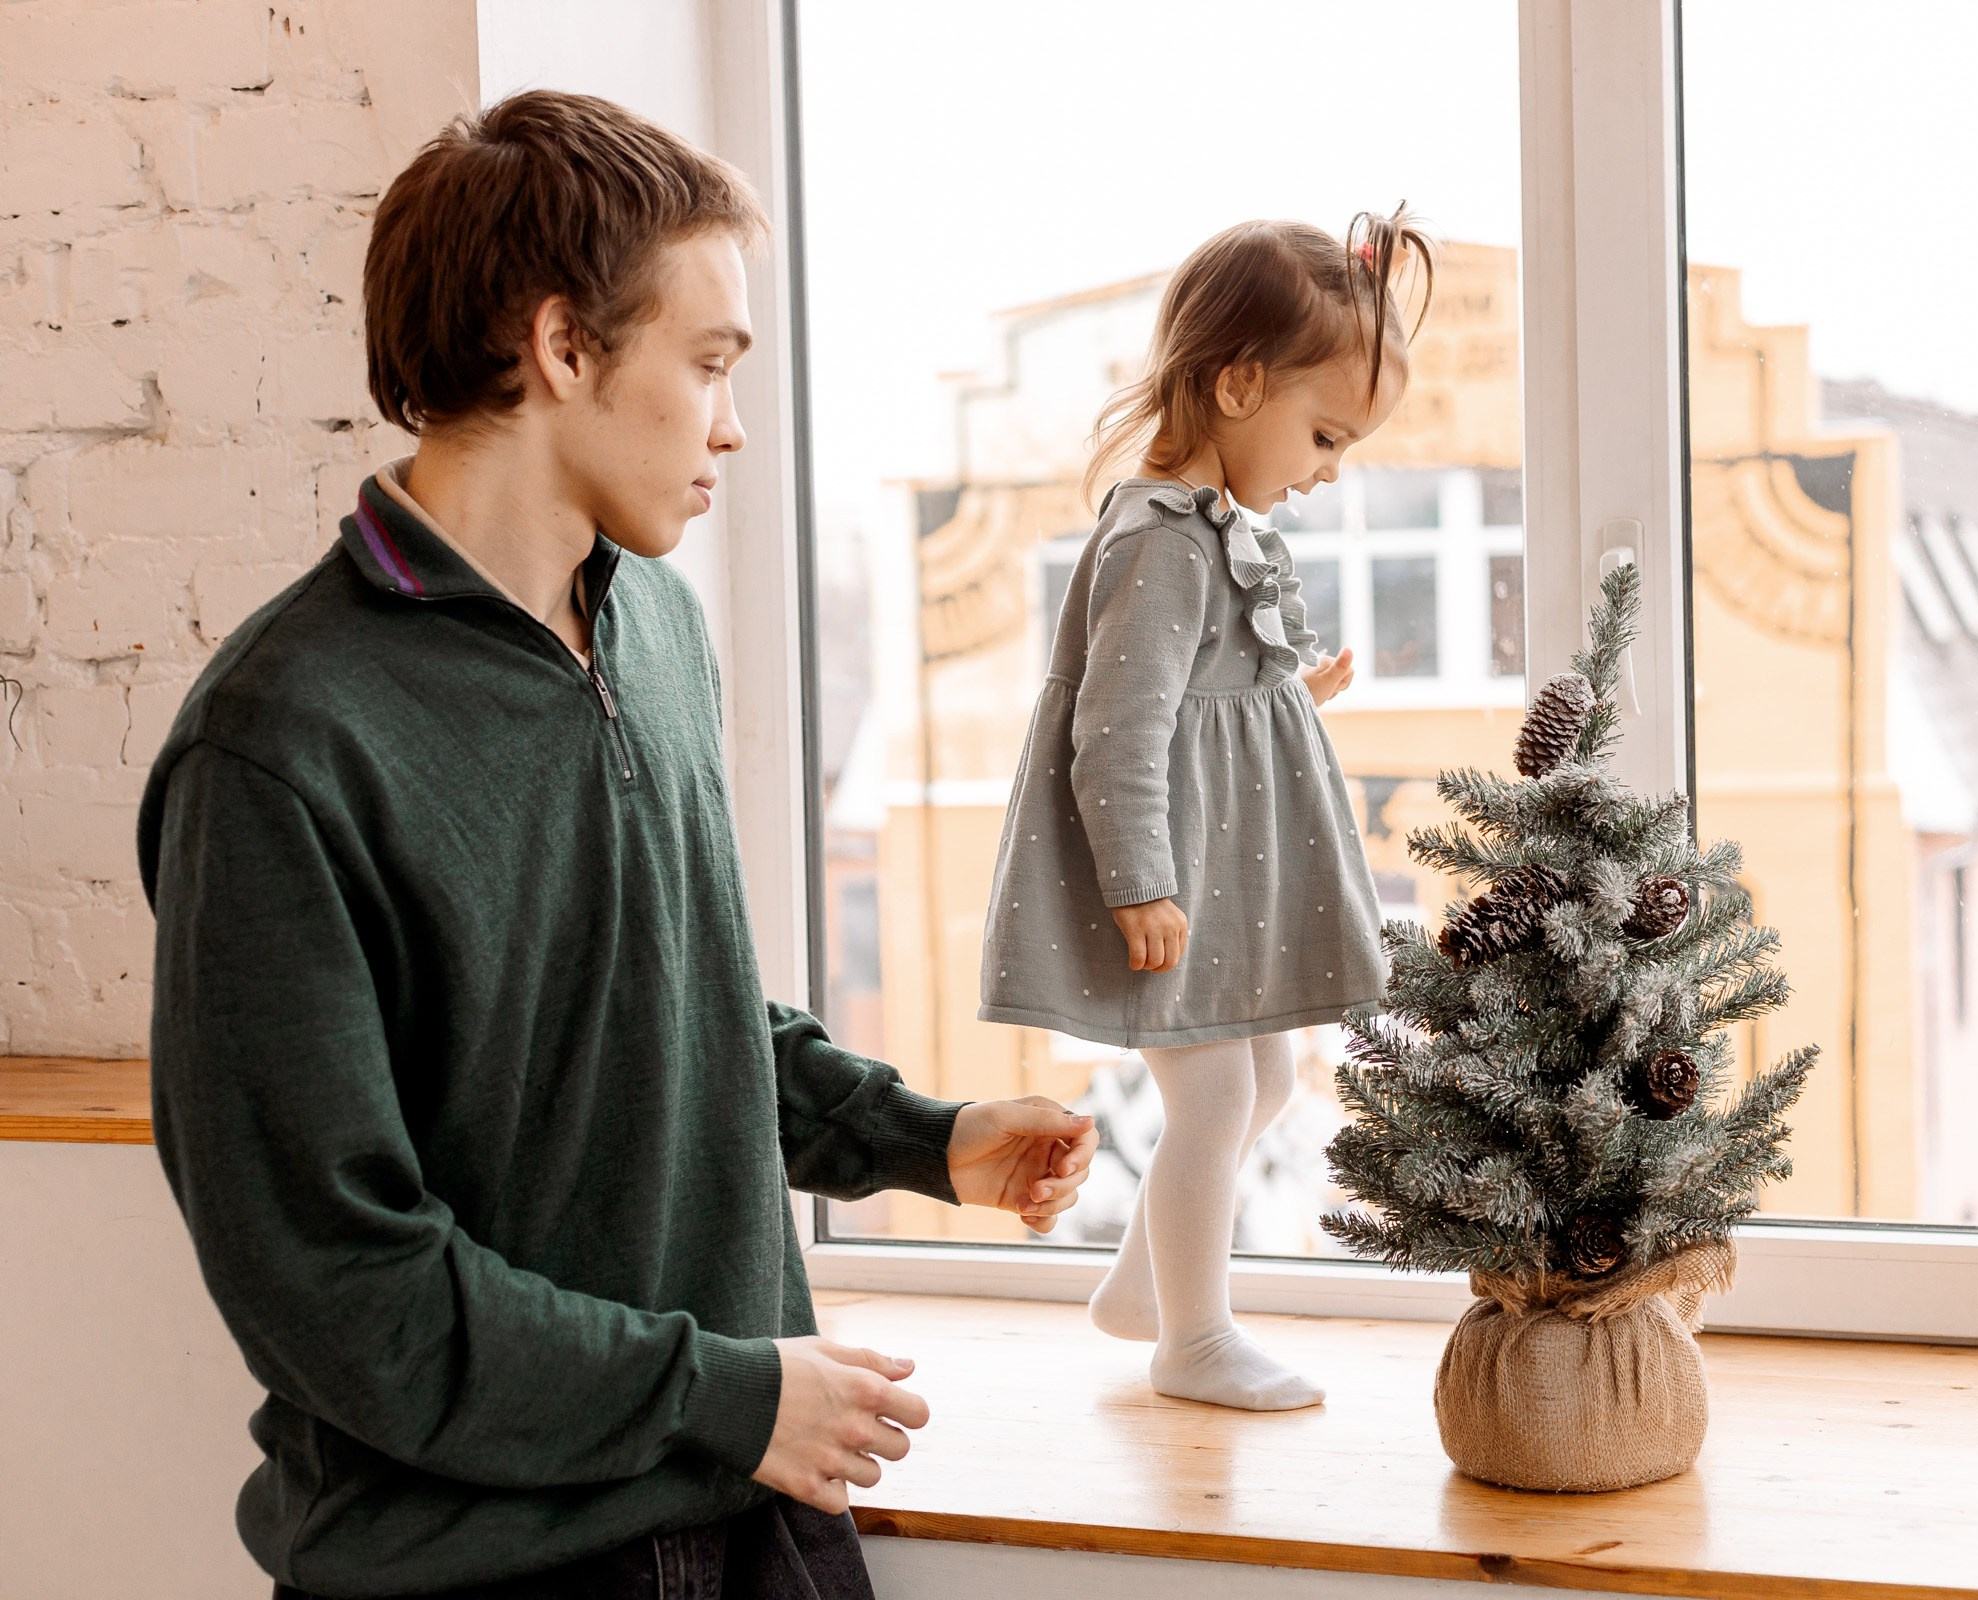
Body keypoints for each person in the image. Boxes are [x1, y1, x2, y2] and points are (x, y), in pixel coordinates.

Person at [136, 90, 1098, 1600]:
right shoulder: (276, 748)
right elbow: (342, 1293)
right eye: (708, 363)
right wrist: (730, 1394)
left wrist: (923, 1140)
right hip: (487, 1572)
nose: (730, 420)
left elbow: (678, 1006)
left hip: (763, 1519)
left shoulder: (656, 626)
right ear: (564, 347)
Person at [978, 209, 1434, 1410]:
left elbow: (1204, 705)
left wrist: (1290, 691)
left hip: (1216, 871)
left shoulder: (1217, 527)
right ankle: (1193, 1337)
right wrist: (1138, 879)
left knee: (1271, 1081)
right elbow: (1117, 728)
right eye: (1324, 433)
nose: (1328, 468)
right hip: (1172, 877)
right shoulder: (1163, 537)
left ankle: (1143, 1288)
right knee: (1220, 1093)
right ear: (1239, 383)